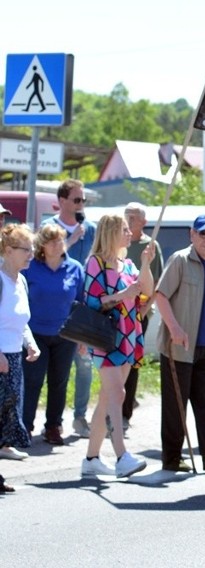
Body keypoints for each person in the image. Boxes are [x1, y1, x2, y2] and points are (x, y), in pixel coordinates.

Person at [79, 214, 154, 478]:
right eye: (124, 229)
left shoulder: (127, 264)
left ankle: (91, 458)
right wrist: (123, 295)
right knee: (118, 393)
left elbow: (147, 290)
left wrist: (146, 263)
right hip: (106, 336)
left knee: (108, 397)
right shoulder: (95, 263)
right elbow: (93, 302)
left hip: (128, 335)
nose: (129, 233)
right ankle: (122, 455)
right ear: (110, 232)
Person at [155, 214, 205, 472]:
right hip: (179, 347)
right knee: (175, 406)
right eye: (203, 234)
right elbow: (161, 296)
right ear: (192, 235)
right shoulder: (181, 260)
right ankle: (172, 458)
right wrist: (174, 328)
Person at [21, 224, 85, 445]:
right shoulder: (31, 267)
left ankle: (53, 426)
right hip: (35, 332)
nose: (58, 245)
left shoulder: (74, 268)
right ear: (42, 246)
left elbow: (80, 302)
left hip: (65, 335)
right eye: (53, 241)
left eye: (61, 240)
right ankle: (25, 426)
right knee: (32, 380)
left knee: (59, 382)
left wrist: (82, 337)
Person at [43, 179, 97, 438]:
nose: (81, 205)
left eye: (83, 200)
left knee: (85, 363)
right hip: (57, 307)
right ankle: (48, 421)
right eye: (77, 200)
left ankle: (80, 416)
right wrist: (71, 241)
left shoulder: (91, 228)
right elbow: (44, 259)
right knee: (52, 372)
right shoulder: (48, 227)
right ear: (62, 200)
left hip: (84, 306)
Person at [0, 224, 40, 461]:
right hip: (2, 356)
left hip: (13, 357)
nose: (31, 254)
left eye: (32, 248)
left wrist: (30, 343)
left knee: (8, 413)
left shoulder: (21, 282)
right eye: (25, 249)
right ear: (7, 250)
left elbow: (20, 320)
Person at [122, 203, 163, 430]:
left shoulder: (151, 246)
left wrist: (143, 312)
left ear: (143, 222)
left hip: (141, 312)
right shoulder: (121, 244)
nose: (128, 220)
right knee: (117, 358)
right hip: (120, 311)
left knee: (133, 360)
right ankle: (115, 407)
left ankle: (126, 412)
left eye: (133, 217)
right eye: (127, 216)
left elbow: (157, 283)